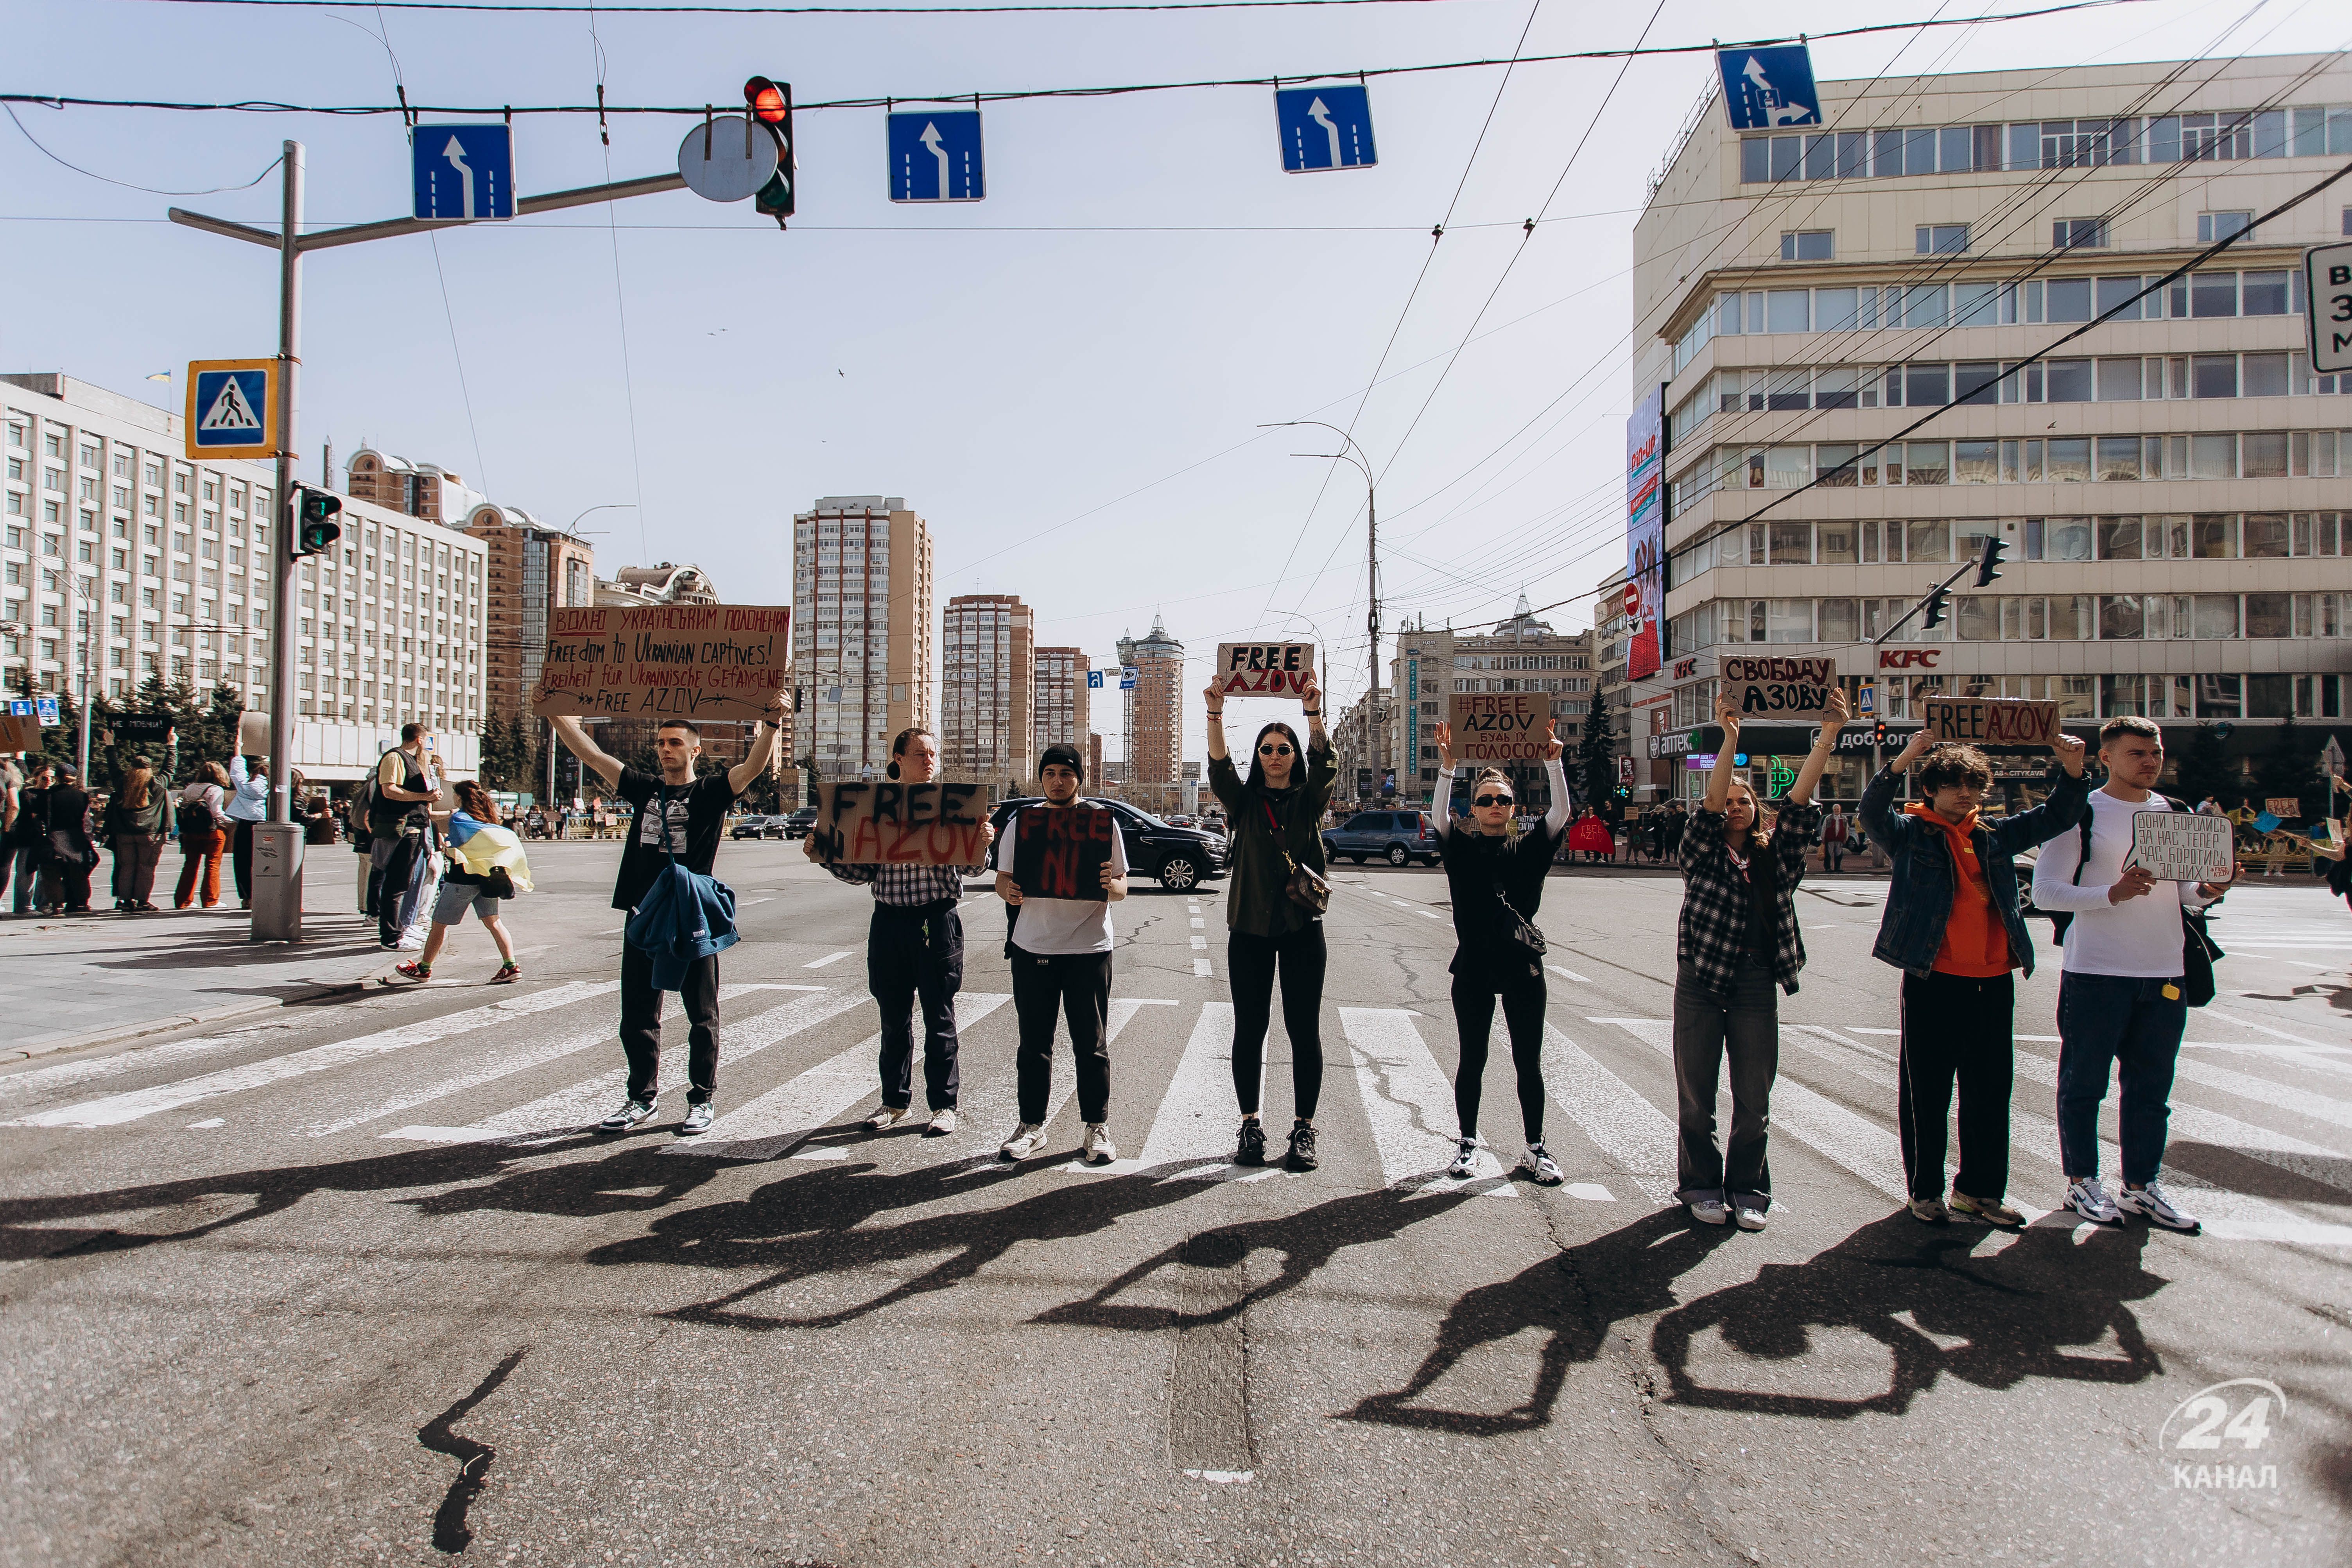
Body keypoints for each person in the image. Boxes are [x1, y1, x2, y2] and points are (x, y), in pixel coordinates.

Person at [1862, 727, 2089, 1227]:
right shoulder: (1910, 832)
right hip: (1932, 977)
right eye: (1951, 784)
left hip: (1992, 978)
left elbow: (2058, 816)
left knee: (1990, 1089)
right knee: (1927, 1089)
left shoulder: (1993, 835)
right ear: (1930, 790)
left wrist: (2071, 769)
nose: (1963, 793)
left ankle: (1980, 1192)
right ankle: (1925, 1192)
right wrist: (1903, 759)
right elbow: (1872, 814)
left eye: (1972, 785)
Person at [545, 683, 787, 1136]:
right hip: (643, 915)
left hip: (689, 918)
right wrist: (557, 715)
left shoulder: (713, 792)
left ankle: (701, 1099)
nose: (665, 750)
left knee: (701, 1013)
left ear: (695, 750)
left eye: (675, 742)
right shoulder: (644, 788)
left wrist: (772, 723)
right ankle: (641, 1098)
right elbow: (594, 756)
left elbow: (752, 768)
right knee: (637, 1013)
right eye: (660, 743)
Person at [2033, 716, 2232, 1234]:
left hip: (2165, 971)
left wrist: (2211, 888)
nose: (2150, 760)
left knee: (2151, 1090)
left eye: (2156, 752)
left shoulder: (2174, 812)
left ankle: (2142, 1187)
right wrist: (2110, 894)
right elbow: (2045, 892)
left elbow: (2184, 893)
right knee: (2084, 1085)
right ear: (2108, 757)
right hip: (2097, 971)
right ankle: (2082, 1181)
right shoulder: (2080, 812)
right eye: (2137, 752)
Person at [1670, 689, 1843, 1231]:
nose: (1737, 806)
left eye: (1747, 801)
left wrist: (1829, 735)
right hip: (1700, 979)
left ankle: (1747, 1189)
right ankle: (1701, 1184)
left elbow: (1799, 803)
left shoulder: (1777, 856)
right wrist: (1732, 739)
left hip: (1753, 980)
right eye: (1731, 800)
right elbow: (1712, 800)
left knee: (1754, 1096)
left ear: (1758, 810)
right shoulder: (1699, 848)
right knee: (1697, 1095)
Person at [806, 724, 994, 1137]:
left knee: (939, 1017)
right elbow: (861, 872)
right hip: (889, 922)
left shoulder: (953, 806)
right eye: (920, 754)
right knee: (893, 1019)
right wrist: (825, 855)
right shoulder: (877, 808)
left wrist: (982, 842)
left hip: (937, 922)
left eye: (932, 754)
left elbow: (972, 868)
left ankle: (944, 1105)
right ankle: (895, 1102)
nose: (929, 761)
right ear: (898, 760)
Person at [1430, 719, 1573, 1186]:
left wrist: (1552, 761)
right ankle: (1468, 1144)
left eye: (1503, 799)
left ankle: (1536, 1148)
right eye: (1486, 799)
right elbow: (1437, 820)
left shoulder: (1529, 849)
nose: (1495, 805)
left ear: (1515, 807)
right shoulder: (1462, 850)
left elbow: (1561, 815)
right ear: (1473, 808)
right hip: (1472, 967)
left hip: (1522, 969)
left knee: (1527, 1062)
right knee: (1472, 1059)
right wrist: (1448, 771)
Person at [1203, 672, 1337, 1171]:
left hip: (1303, 932)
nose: (1276, 755)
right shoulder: (1244, 803)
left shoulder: (1309, 802)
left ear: (1293, 755)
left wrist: (1312, 714)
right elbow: (1218, 767)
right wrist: (1215, 713)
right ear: (1257, 757)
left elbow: (1326, 765)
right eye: (1267, 749)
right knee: (1250, 1029)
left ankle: (1303, 1130)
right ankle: (1250, 1126)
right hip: (1250, 934)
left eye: (1283, 748)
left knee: (1304, 1030)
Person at [995, 742, 1129, 1165]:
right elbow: (1002, 878)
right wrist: (1010, 891)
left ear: (1079, 779)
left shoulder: (1100, 823)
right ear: (1041, 778)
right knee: (1034, 1044)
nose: (1058, 781)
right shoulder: (1024, 822)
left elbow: (1123, 889)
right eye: (1050, 773)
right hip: (1032, 945)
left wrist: (1111, 884)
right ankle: (1031, 1126)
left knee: (1090, 1045)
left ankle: (1096, 1127)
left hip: (1089, 949)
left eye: (1066, 774)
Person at [395, 780, 525, 984]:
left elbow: (458, 846)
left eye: (455, 795)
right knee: (494, 923)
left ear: (460, 798)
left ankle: (424, 969)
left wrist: (447, 846)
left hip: (461, 880)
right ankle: (511, 966)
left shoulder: (459, 819)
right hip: (487, 879)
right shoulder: (487, 820)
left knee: (439, 926)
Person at [371, 725, 442, 947]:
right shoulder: (395, 757)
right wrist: (423, 796)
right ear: (420, 740)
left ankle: (399, 931)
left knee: (403, 882)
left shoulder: (410, 760)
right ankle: (391, 937)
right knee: (395, 883)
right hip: (402, 828)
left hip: (412, 827)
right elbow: (389, 790)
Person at [105, 759, 172, 912]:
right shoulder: (157, 784)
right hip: (150, 833)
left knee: (126, 867)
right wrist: (172, 746)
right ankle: (143, 901)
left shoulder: (122, 783)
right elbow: (169, 770)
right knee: (146, 867)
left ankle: (126, 901)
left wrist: (110, 746)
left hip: (124, 833)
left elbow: (113, 767)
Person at [37, 763, 95, 914]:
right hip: (76, 840)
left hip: (54, 839)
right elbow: (86, 821)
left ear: (57, 777)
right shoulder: (82, 796)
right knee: (78, 874)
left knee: (52, 874)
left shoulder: (46, 796)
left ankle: (57, 906)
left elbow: (40, 818)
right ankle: (82, 904)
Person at [174, 762, 230, 910]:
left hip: (191, 830)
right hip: (212, 830)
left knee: (190, 865)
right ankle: (211, 900)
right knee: (212, 865)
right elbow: (216, 812)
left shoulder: (191, 788)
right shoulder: (216, 789)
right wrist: (232, 820)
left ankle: (184, 901)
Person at [224, 754, 270, 909]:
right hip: (266, 824)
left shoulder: (245, 786)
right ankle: (265, 894)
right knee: (266, 860)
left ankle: (247, 897)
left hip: (245, 824)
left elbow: (237, 773)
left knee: (242, 862)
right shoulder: (273, 787)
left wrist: (238, 754)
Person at [7, 759, 48, 915]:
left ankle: (42, 903)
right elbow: (27, 814)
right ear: (36, 777)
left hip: (46, 838)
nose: (48, 781)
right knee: (26, 872)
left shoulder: (52, 794)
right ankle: (23, 905)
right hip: (28, 837)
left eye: (51, 778)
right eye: (45, 778)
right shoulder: (26, 794)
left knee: (46, 872)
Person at [1819, 803, 1850, 873]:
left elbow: (1847, 829)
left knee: (1839, 854)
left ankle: (1838, 868)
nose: (1837, 810)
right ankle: (1828, 868)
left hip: (1840, 839)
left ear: (1840, 810)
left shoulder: (1844, 819)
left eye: (1838, 809)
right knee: (1829, 854)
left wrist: (1846, 838)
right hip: (1830, 839)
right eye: (1835, 809)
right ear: (1833, 810)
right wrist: (1823, 837)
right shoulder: (1828, 818)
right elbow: (1824, 828)